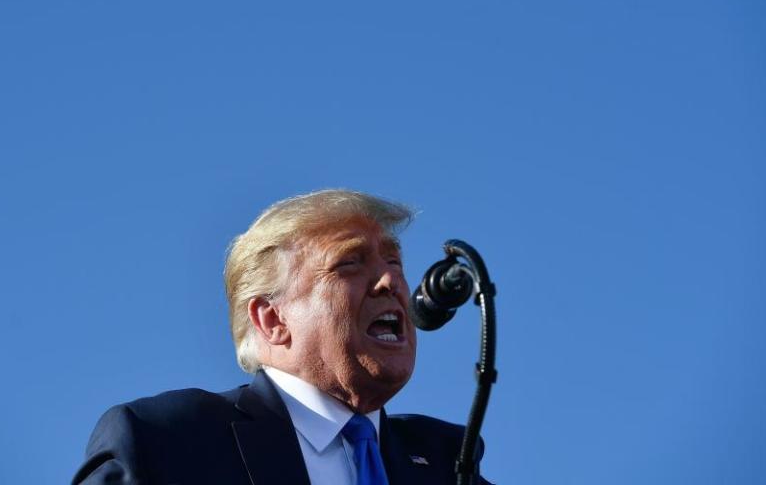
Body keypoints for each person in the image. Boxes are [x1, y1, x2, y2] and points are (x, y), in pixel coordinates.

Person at [72, 189, 491, 484]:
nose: (390, 281)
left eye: (394, 261)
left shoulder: (447, 462)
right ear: (272, 319)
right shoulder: (167, 442)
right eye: (349, 263)